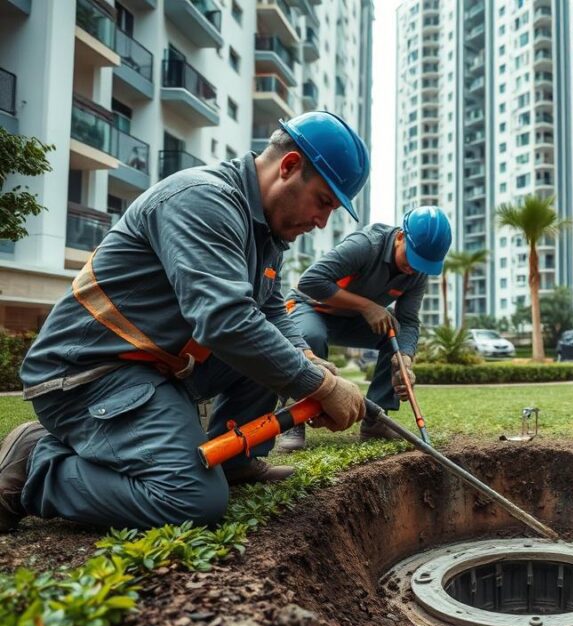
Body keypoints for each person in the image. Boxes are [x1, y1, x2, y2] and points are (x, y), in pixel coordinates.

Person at [0, 112, 371, 532]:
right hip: (88, 373)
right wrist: (320, 385)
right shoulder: (203, 200)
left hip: (150, 369)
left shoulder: (265, 233)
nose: (323, 221)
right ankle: (36, 464)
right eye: (323, 201)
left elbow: (266, 309)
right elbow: (226, 321)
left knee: (276, 355)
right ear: (288, 167)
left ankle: (234, 463)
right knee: (190, 499)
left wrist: (307, 359)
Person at [276, 206, 452, 449]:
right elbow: (309, 282)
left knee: (396, 334)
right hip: (310, 307)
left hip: (351, 319)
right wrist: (368, 307)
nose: (414, 268)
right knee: (311, 336)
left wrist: (405, 360)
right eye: (412, 258)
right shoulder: (366, 245)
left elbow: (409, 320)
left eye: (422, 264)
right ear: (400, 236)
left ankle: (375, 422)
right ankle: (294, 421)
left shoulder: (417, 273)